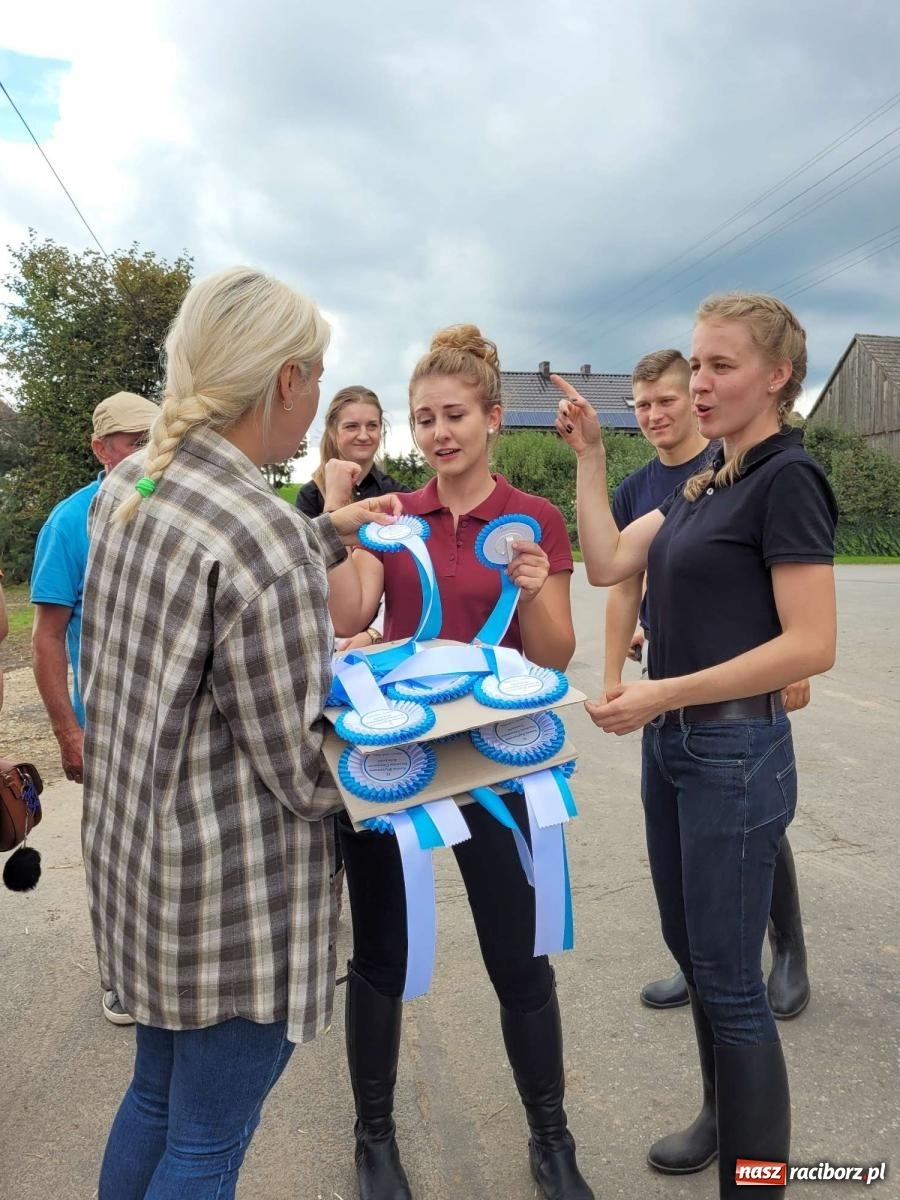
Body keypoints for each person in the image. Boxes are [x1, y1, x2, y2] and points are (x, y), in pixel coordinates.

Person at [78, 266, 401, 1200]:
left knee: (153, 1099)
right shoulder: (258, 531)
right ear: (287, 381)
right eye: (318, 379)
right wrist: (432, 752)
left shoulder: (133, 481)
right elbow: (303, 769)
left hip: (143, 865)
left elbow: (227, 559)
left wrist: (326, 530)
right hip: (229, 900)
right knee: (207, 1145)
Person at [555, 294, 837, 1199]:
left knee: (730, 978)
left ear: (778, 375)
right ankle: (722, 1117)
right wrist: (592, 460)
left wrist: (665, 691)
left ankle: (756, 1181)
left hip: (732, 755)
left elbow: (811, 643)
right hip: (673, 751)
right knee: (697, 953)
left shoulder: (786, 478)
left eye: (721, 366)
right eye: (697, 363)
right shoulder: (706, 476)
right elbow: (605, 565)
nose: (701, 382)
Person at [328, 325, 594, 1200]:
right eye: (424, 418)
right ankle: (375, 1141)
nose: (439, 432)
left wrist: (530, 588)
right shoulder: (393, 516)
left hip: (497, 764)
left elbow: (553, 657)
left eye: (454, 415)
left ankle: (551, 1139)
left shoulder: (536, 521)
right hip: (400, 759)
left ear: (491, 419)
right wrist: (337, 516)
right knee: (382, 956)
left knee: (518, 958)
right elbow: (344, 616)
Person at [605, 350, 812, 1032]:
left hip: (729, 715)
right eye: (645, 404)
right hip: (674, 706)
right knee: (703, 933)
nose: (666, 409)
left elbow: (793, 611)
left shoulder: (763, 474)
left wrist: (790, 666)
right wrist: (632, 651)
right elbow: (619, 572)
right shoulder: (661, 487)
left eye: (674, 394)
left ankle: (786, 950)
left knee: (755, 843)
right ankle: (709, 983)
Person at [31, 390, 159, 1025]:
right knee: (116, 856)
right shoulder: (69, 522)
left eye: (155, 439)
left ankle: (165, 968)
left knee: (168, 851)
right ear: (100, 449)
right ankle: (117, 975)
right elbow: (47, 635)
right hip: (107, 724)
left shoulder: (172, 508)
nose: (147, 453)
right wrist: (67, 731)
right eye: (134, 442)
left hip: (172, 723)